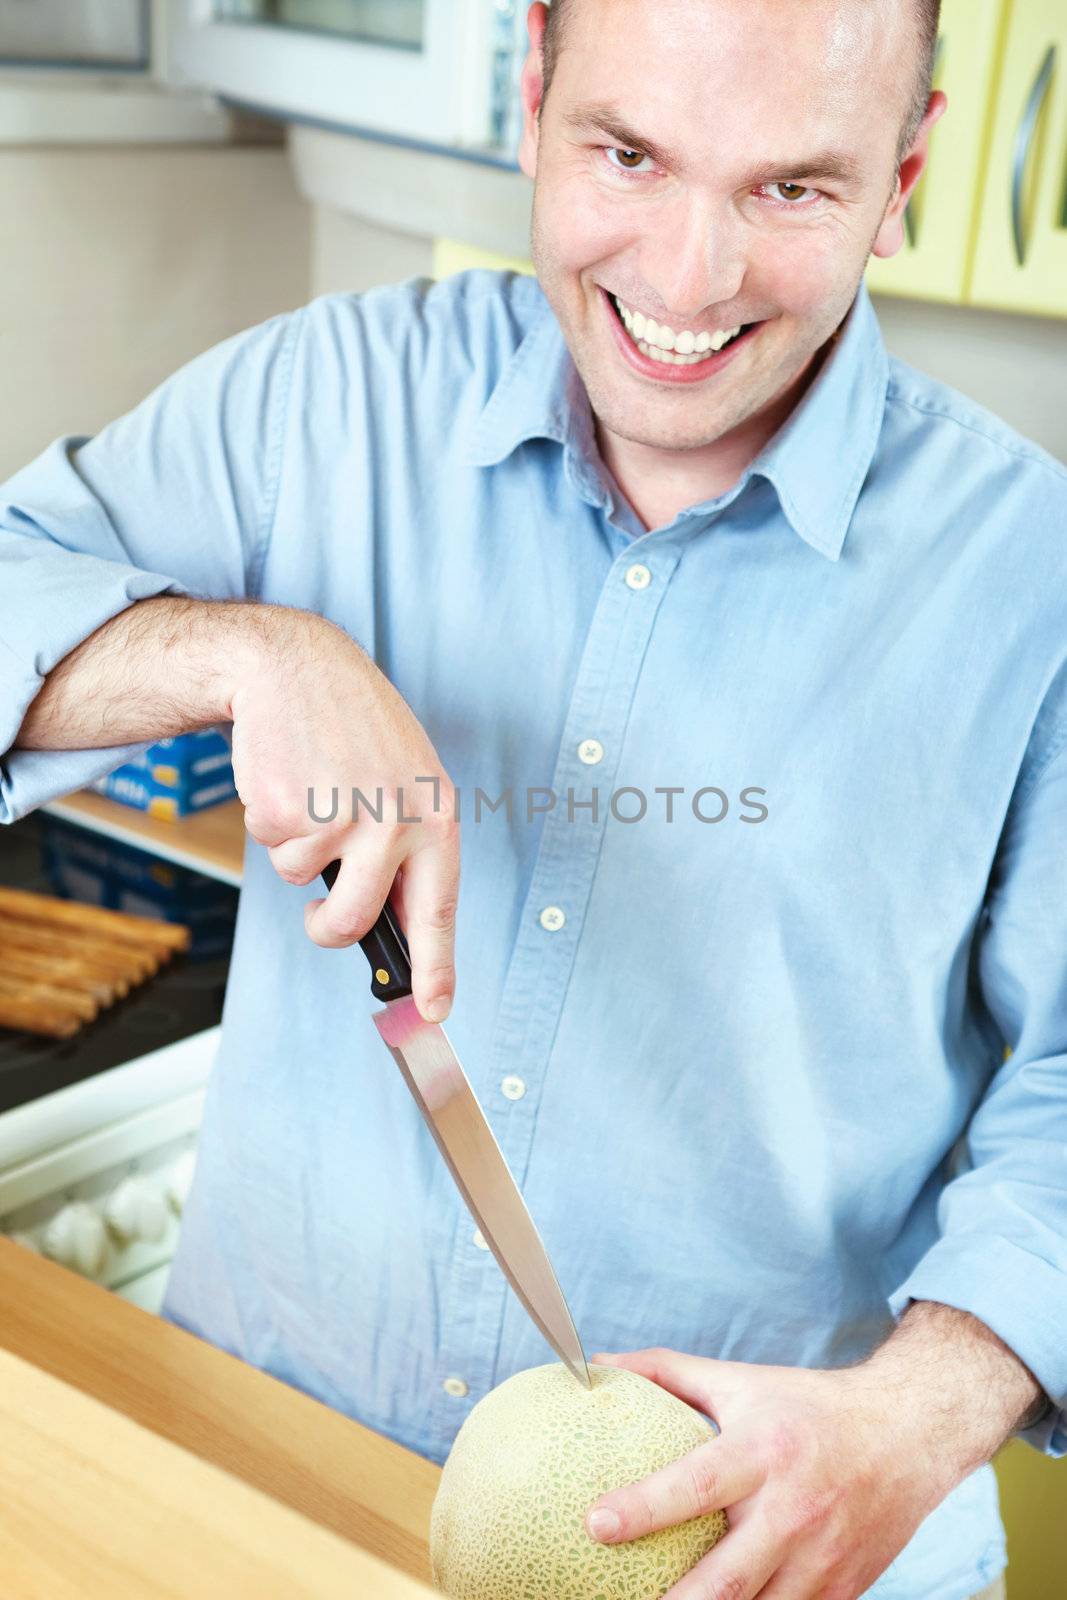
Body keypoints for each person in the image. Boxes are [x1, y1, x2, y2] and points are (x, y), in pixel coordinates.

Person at [1, 0, 1063, 1594]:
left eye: (792, 190)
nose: (690, 280)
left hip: (772, 1564)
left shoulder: (1033, 581)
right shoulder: (323, 401)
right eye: (628, 154)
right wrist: (239, 654)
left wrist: (910, 1425)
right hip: (258, 1485)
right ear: (534, 100)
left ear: (907, 169)